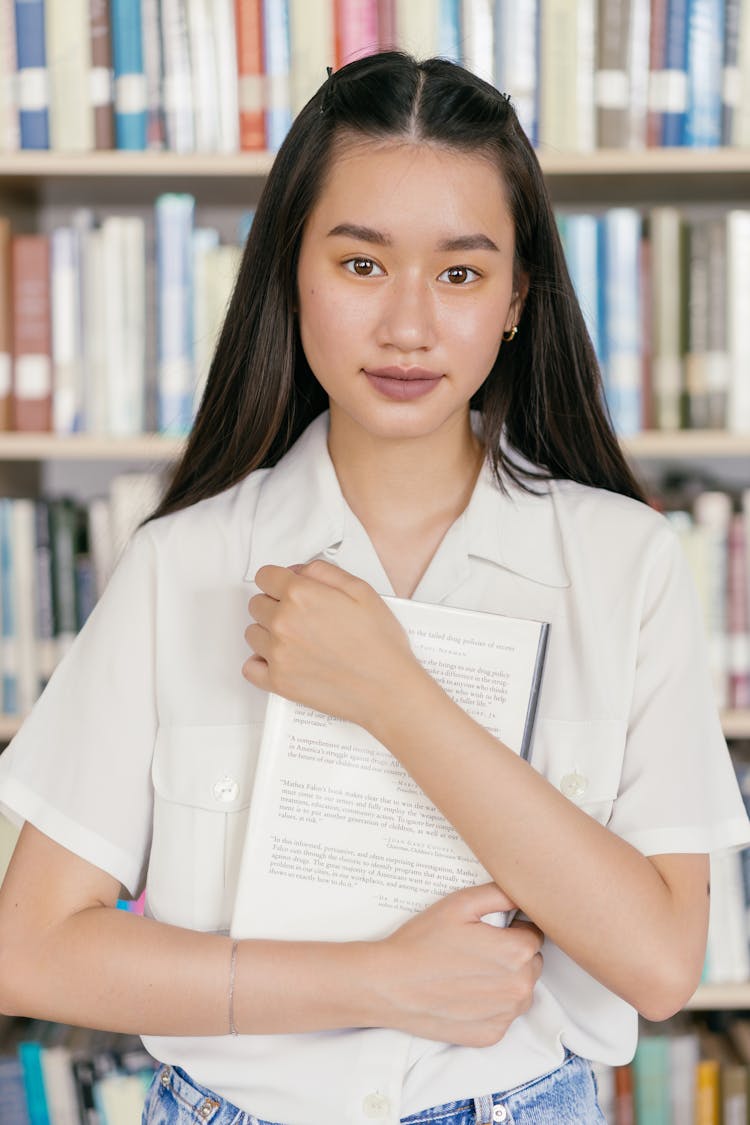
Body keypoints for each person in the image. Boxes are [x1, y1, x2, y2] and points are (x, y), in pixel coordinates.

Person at [0, 50, 748, 1125]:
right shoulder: (187, 565)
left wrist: (394, 694)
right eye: (360, 266)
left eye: (459, 272)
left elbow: (662, 965)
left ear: (516, 299)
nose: (408, 326)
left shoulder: (622, 561)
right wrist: (373, 982)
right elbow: (31, 951)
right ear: (291, 273)